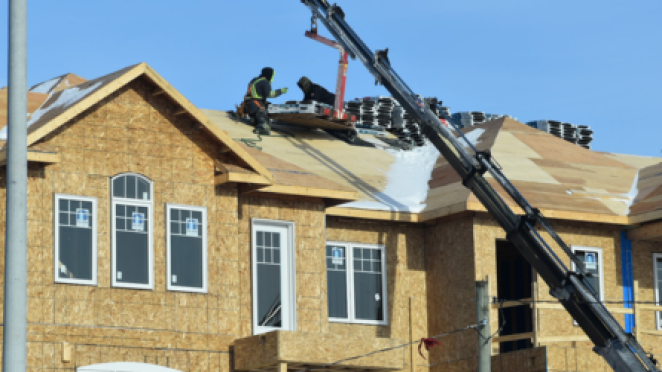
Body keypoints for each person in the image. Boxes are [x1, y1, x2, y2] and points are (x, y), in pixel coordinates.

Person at [244, 67, 288, 135]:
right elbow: (270, 94)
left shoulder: (255, 80)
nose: (273, 78)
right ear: (269, 75)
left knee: (265, 106)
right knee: (263, 112)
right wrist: (281, 91)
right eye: (273, 76)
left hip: (248, 105)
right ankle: (262, 127)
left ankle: (254, 120)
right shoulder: (264, 82)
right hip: (255, 104)